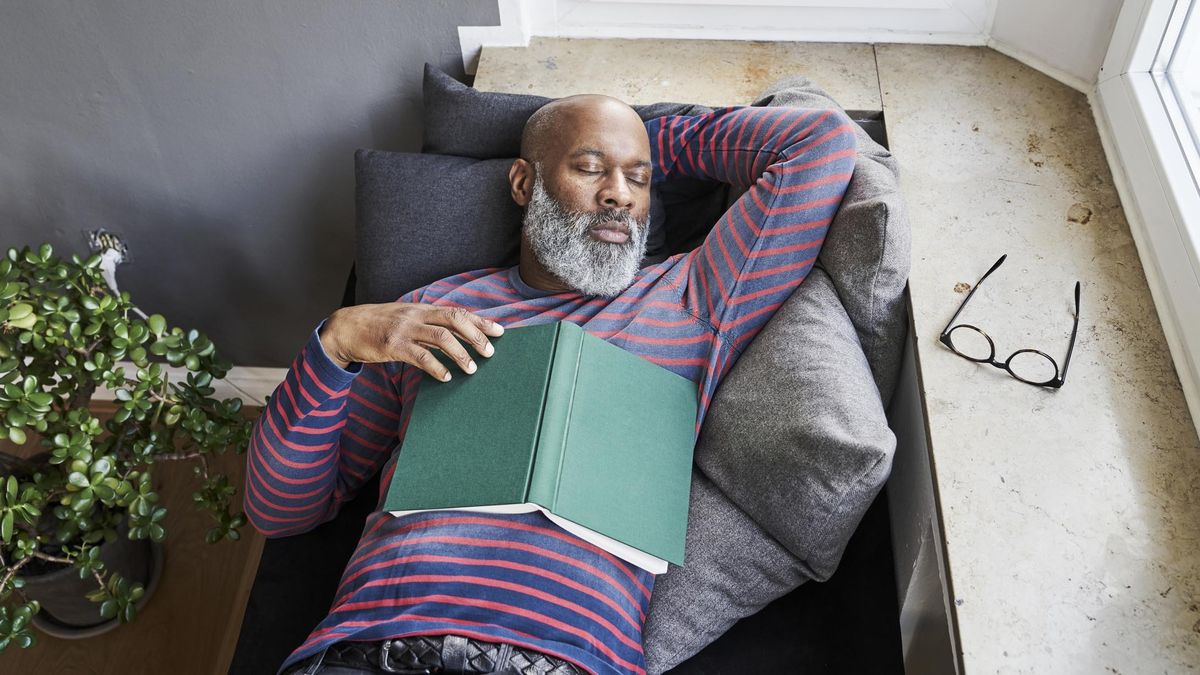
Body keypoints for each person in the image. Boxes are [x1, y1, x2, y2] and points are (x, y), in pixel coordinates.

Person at [247, 94, 858, 675]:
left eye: (639, 180)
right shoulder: (431, 308)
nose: (619, 194)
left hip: (563, 659)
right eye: (591, 168)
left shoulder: (694, 297)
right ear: (524, 183)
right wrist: (337, 341)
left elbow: (818, 145)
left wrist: (654, 137)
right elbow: (282, 510)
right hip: (374, 644)